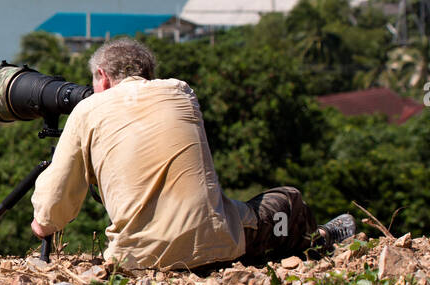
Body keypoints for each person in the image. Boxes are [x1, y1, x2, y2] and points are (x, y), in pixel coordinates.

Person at [29, 38, 354, 270]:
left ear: (102, 76)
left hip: (135, 259)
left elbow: (52, 208)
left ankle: (313, 241)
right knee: (287, 199)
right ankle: (319, 239)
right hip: (219, 244)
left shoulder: (87, 110)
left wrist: (42, 223)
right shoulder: (181, 91)